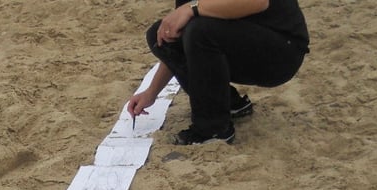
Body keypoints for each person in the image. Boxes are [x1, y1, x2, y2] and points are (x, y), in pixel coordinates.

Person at [127, 0, 309, 145]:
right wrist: (151, 92)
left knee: (199, 30)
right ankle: (228, 104)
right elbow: (181, 39)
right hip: (248, 41)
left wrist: (193, 8)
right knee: (162, 35)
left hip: (282, 51)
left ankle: (213, 128)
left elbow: (258, 2)